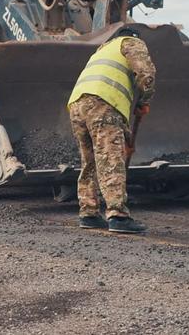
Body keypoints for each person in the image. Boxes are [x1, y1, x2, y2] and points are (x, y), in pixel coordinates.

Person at [67, 26, 156, 233]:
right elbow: (146, 73)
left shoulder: (102, 49)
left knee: (90, 161)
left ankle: (88, 213)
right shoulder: (131, 42)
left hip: (77, 105)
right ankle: (118, 216)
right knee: (110, 158)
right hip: (103, 103)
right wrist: (144, 100)